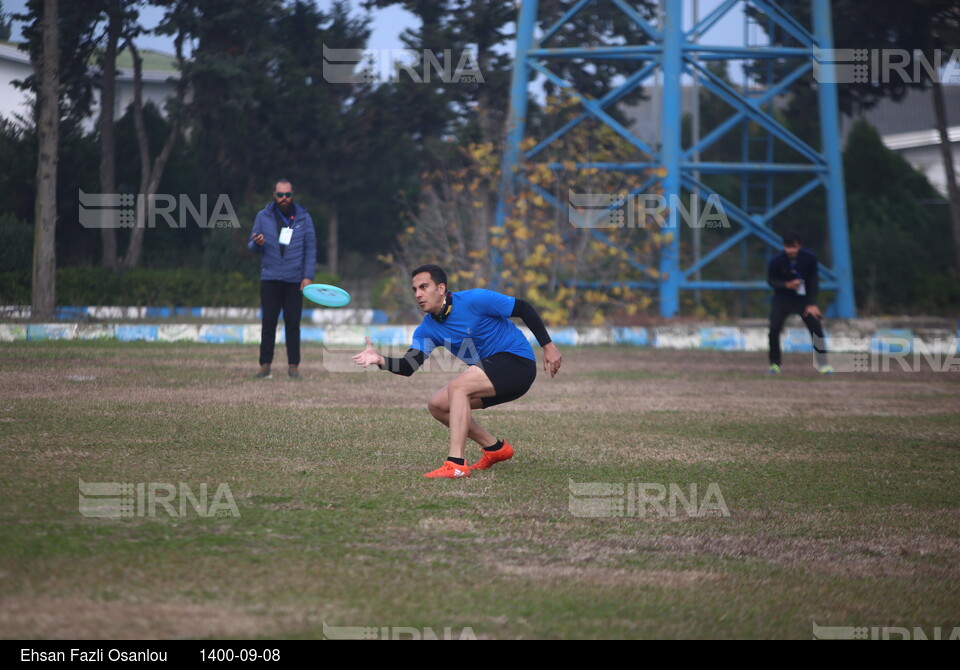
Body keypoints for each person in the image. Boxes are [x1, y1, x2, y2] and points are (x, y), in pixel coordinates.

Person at [352, 264, 562, 478]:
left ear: (441, 288)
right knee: (438, 405)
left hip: (517, 363)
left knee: (458, 387)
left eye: (424, 287)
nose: (418, 294)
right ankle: (495, 449)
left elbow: (523, 308)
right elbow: (409, 366)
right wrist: (379, 359)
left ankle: (456, 464)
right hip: (494, 375)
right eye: (415, 289)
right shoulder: (427, 329)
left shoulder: (475, 299)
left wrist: (548, 346)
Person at [248, 179, 318, 379]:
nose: (284, 198)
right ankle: (264, 365)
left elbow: (311, 248)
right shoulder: (263, 216)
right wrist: (257, 243)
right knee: (268, 323)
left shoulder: (304, 217)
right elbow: (251, 247)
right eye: (280, 195)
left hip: (294, 280)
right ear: (274, 195)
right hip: (270, 278)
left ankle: (293, 366)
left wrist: (308, 276)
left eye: (287, 194)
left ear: (293, 194)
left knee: (293, 323)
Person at [767, 231, 832, 374]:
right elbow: (771, 281)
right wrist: (786, 285)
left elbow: (813, 281)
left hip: (804, 300)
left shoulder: (809, 257)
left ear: (800, 246)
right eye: (788, 247)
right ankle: (774, 364)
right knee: (774, 329)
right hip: (782, 299)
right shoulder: (776, 260)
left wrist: (812, 303)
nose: (791, 251)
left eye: (794, 247)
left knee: (816, 327)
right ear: (783, 246)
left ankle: (823, 364)